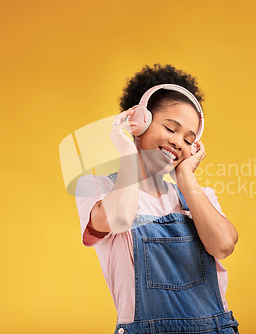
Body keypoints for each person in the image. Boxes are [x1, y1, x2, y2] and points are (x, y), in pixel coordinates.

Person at [75, 64, 240, 334]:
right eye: (171, 128)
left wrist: (186, 178)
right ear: (139, 121)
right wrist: (128, 149)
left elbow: (223, 245)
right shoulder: (97, 188)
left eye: (189, 140)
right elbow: (118, 218)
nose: (178, 143)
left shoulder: (197, 198)